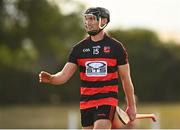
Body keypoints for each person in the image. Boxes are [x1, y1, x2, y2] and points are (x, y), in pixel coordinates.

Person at [39, 7, 137, 129]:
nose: (87, 22)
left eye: (92, 19)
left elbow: (125, 78)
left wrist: (131, 106)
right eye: (86, 19)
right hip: (86, 103)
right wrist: (52, 78)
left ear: (103, 21)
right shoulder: (78, 49)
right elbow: (64, 75)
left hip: (107, 101)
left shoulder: (116, 48)